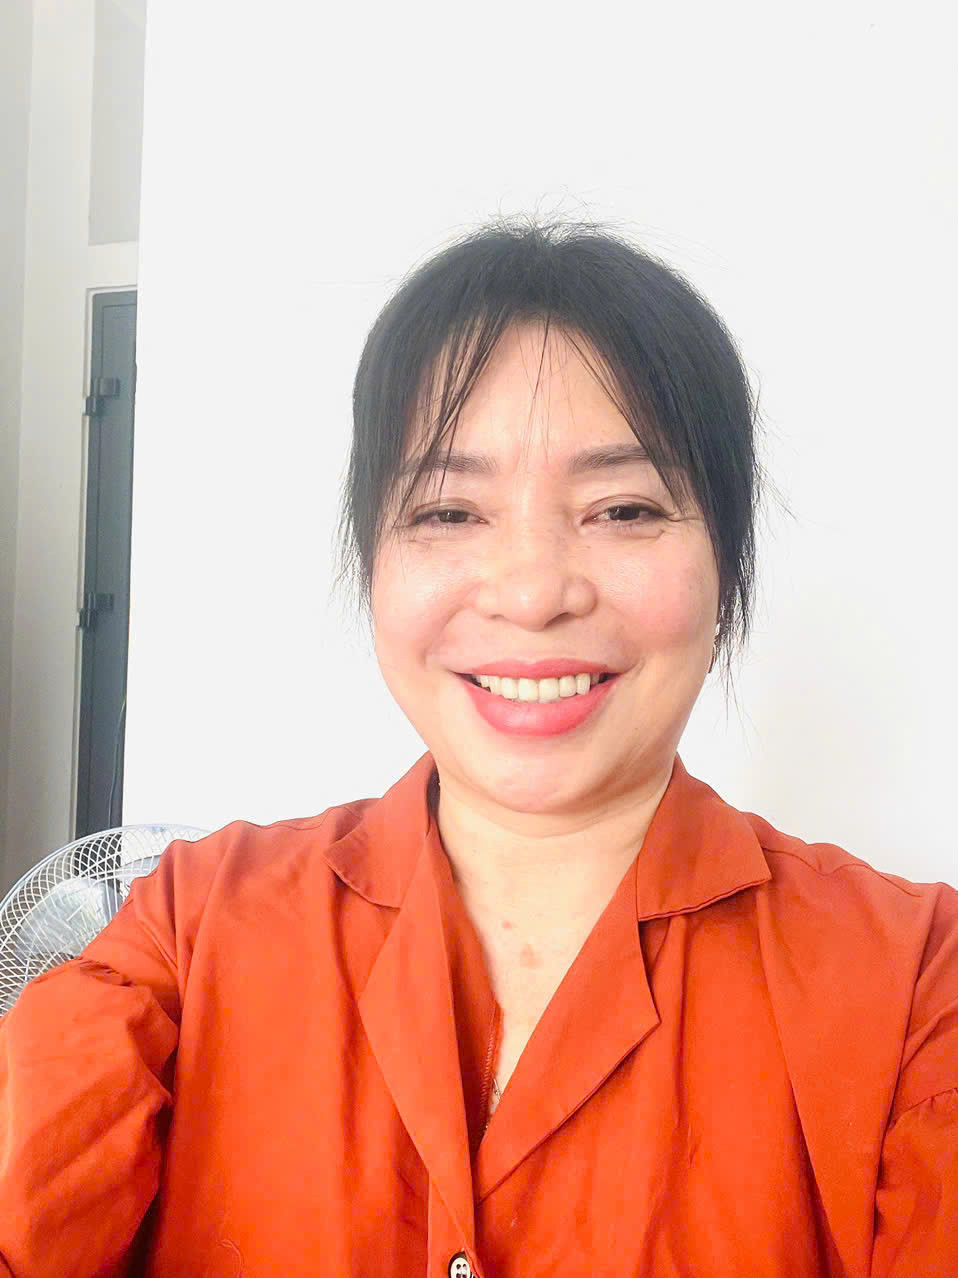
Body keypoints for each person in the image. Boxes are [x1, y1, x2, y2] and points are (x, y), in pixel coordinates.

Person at [1, 217, 955, 1277]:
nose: (532, 592)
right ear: (372, 562)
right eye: (450, 512)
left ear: (725, 568)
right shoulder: (187, 932)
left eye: (623, 508)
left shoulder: (916, 984)